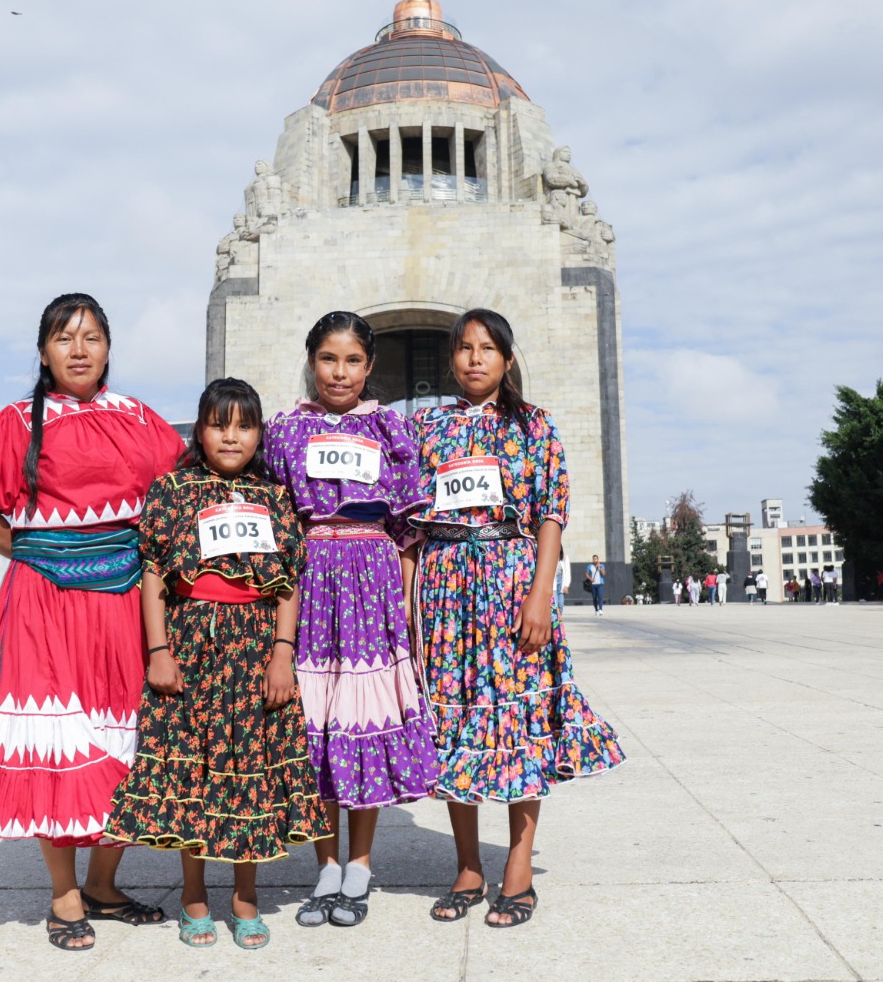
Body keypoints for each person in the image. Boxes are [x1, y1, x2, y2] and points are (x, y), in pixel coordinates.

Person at [0, 293, 185, 952]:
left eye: (91, 337)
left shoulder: (139, 419)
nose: (78, 349)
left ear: (108, 347)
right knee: (56, 740)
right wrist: (35, 553)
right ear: (43, 352)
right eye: (64, 338)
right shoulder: (17, 422)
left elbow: (180, 494)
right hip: (43, 602)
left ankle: (103, 884)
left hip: (125, 600)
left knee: (130, 739)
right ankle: (64, 893)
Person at [412, 309, 624, 929]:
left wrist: (540, 595)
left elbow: (551, 514)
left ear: (507, 359)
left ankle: (519, 866)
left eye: (488, 348)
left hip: (511, 585)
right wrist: (410, 606)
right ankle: (467, 867)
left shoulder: (534, 425)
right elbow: (411, 520)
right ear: (452, 359)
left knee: (518, 721)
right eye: (464, 348)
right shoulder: (427, 426)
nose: (474, 358)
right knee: (454, 723)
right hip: (446, 590)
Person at [104, 378, 325, 951]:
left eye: (244, 426)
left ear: (259, 435)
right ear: (199, 431)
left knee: (249, 770)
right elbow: (154, 573)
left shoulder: (274, 497)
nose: (231, 436)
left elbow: (288, 584)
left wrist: (283, 653)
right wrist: (158, 652)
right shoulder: (173, 490)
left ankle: (246, 897)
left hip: (256, 651)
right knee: (194, 772)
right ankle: (194, 895)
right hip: (190, 647)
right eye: (218, 424)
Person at [262, 312, 439, 929]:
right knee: (317, 721)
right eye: (329, 359)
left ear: (369, 366)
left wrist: (407, 601)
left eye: (353, 361)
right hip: (310, 579)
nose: (340, 372)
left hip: (373, 579)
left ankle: (359, 865)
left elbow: (409, 525)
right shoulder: (284, 429)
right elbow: (276, 516)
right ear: (312, 360)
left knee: (365, 715)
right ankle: (325, 866)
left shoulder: (390, 426)